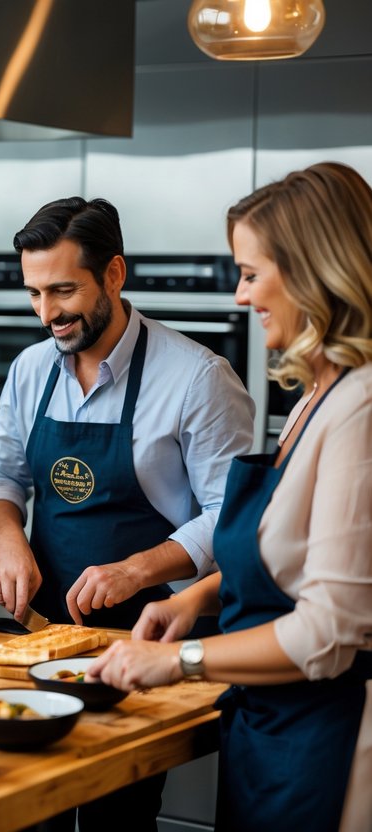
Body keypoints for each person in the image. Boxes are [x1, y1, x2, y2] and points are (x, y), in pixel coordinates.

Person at [90, 162, 372, 832]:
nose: (240, 296)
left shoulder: (360, 408)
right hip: (267, 725)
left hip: (322, 738)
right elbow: (289, 553)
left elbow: (327, 632)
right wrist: (192, 598)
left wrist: (175, 661)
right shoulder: (315, 395)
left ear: (310, 269)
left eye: (250, 273)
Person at [0, 196, 254, 831]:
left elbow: (230, 518)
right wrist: (8, 541)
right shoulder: (29, 371)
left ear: (114, 275)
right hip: (43, 631)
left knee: (118, 811)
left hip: (148, 635)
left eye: (63, 291)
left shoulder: (196, 378)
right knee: (33, 801)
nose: (47, 313)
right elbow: (1, 477)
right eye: (34, 293)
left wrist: (135, 569)